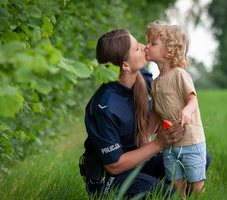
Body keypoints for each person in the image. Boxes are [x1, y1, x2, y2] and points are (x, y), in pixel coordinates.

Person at [79, 29, 186, 198]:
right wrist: (158, 144)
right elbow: (114, 165)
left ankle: (158, 185)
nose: (144, 47)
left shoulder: (143, 75)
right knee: (166, 194)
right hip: (111, 178)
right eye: (136, 48)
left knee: (191, 162)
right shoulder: (105, 106)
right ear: (125, 65)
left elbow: (159, 106)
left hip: (140, 160)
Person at [145, 20, 207, 197]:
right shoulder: (156, 82)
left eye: (153, 43)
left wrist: (187, 110)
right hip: (170, 143)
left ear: (169, 50)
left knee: (196, 184)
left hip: (191, 141)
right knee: (176, 182)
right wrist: (148, 134)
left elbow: (193, 99)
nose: (147, 46)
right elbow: (157, 111)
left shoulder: (179, 74)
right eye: (148, 42)